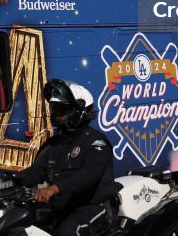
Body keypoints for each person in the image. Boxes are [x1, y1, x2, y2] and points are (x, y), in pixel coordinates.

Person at [17, 79, 119, 236]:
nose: (57, 114)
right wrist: (7, 181)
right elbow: (34, 173)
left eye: (62, 109)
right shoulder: (54, 145)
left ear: (79, 111)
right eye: (55, 109)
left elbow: (88, 175)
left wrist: (55, 188)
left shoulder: (96, 143)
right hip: (63, 209)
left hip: (94, 208)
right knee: (28, 228)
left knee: (68, 231)